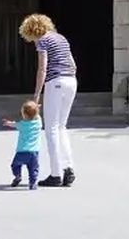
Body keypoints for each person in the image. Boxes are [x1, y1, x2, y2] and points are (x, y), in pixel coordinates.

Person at [19, 12, 77, 187]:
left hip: (56, 82)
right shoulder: (61, 38)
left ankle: (55, 174)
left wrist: (36, 95)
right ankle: (68, 168)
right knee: (61, 126)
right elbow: (73, 64)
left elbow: (42, 69)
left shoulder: (43, 41)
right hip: (71, 81)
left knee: (50, 128)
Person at [3, 100, 41, 189]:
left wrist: (8, 123)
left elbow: (14, 124)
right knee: (33, 169)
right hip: (34, 152)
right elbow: (37, 115)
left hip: (22, 151)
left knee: (15, 165)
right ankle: (33, 183)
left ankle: (18, 176)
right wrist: (36, 108)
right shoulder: (38, 123)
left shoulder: (22, 124)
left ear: (24, 115)